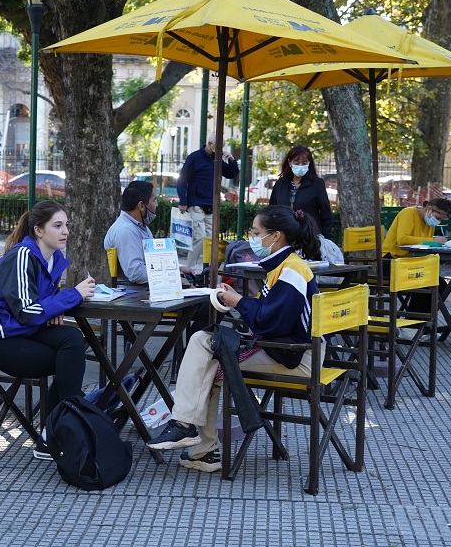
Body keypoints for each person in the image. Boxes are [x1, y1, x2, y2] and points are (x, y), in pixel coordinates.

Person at [146, 205, 321, 473]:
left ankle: (196, 442)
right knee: (202, 343)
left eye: (256, 232)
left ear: (275, 236)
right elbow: (273, 315)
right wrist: (238, 300)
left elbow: (268, 321)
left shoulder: (291, 271)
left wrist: (239, 301)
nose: (251, 238)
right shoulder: (286, 266)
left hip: (295, 357)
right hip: (286, 349)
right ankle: (190, 435)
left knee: (209, 364)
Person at [0, 200, 95, 457]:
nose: (66, 231)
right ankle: (66, 428)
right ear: (38, 230)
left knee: (73, 339)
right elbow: (28, 312)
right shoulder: (22, 256)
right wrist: (72, 296)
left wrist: (54, 308)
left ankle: (56, 432)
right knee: (68, 360)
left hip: (22, 330)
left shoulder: (54, 258)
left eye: (66, 225)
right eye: (57, 225)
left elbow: (39, 306)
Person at [105, 180, 191, 285]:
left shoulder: (140, 226)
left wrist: (177, 269)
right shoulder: (125, 230)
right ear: (141, 206)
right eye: (154, 200)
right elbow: (136, 273)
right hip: (133, 294)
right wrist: (172, 275)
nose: (157, 205)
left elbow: (152, 262)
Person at [176, 132, 240, 274]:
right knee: (199, 237)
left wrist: (232, 161)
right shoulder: (195, 158)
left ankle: (204, 269)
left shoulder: (216, 160)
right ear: (210, 145)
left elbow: (231, 173)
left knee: (210, 239)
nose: (222, 150)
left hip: (211, 206)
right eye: (219, 146)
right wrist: (183, 200)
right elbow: (182, 179)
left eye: (223, 147)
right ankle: (191, 269)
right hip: (197, 204)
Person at [379, 198, 451, 314]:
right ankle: (413, 325)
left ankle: (424, 324)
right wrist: (432, 240)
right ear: (428, 209)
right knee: (424, 282)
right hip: (390, 260)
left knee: (441, 285)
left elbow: (425, 245)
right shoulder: (408, 213)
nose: (437, 221)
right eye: (437, 218)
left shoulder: (429, 223)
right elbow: (402, 239)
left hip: (410, 263)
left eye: (440, 220)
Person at [268, 145, 333, 239]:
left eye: (304, 163)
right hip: (284, 237)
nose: (300, 166)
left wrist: (327, 237)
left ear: (309, 163)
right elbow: (271, 211)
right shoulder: (280, 184)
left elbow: (325, 212)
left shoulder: (317, 184)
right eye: (297, 163)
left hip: (309, 238)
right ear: (290, 163)